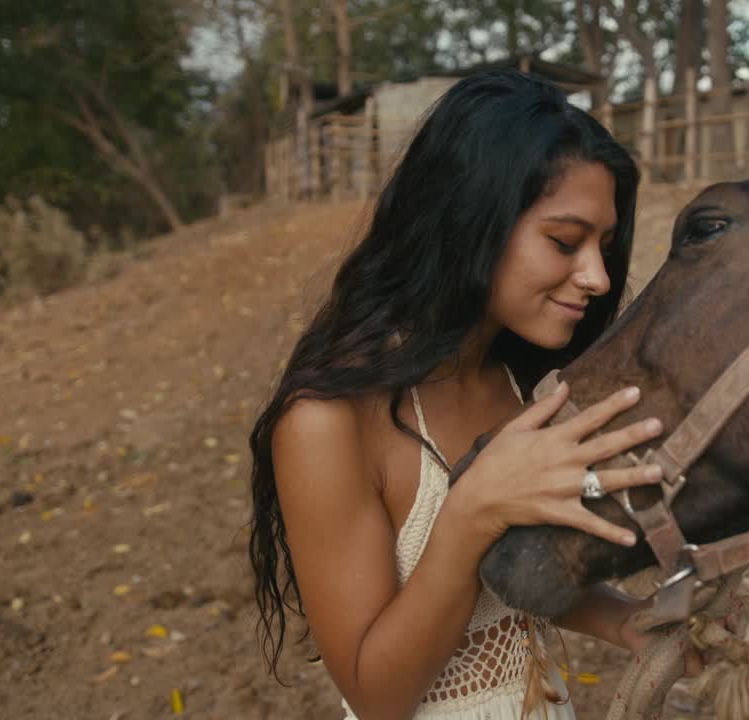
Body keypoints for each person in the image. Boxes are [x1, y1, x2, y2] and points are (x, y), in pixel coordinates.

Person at [248, 71, 678, 719]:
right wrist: (472, 510)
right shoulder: (327, 421)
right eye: (565, 242)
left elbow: (506, 581)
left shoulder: (521, 383)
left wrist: (627, 622)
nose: (595, 276)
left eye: (604, 247)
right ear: (470, 221)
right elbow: (376, 696)